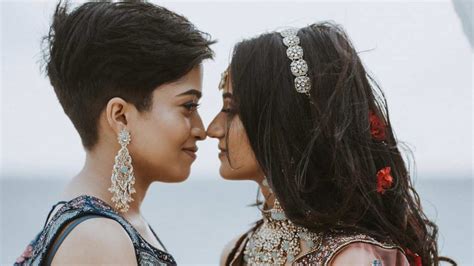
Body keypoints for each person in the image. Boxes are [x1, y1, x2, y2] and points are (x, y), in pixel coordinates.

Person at [207, 22, 454, 265]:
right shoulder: (238, 251)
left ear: (286, 121)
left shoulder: (353, 258)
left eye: (231, 110)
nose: (213, 129)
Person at [15, 1, 214, 265]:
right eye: (188, 106)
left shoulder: (108, 223)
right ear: (120, 116)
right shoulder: (99, 239)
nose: (202, 129)